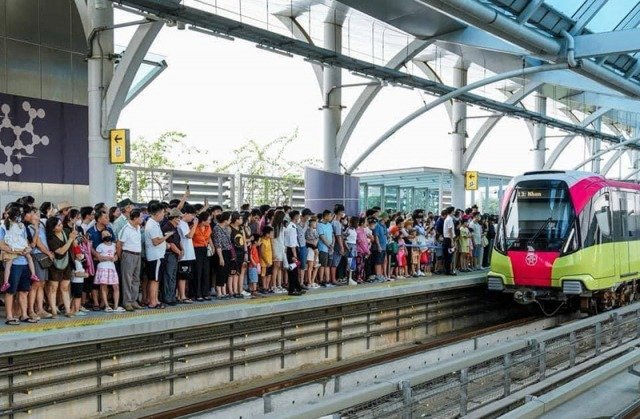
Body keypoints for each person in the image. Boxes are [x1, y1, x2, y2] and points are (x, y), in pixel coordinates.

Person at [1, 205, 36, 324]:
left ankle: (24, 315)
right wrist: (16, 251)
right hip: (13, 262)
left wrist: (28, 249)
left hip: (24, 262)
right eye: (19, 214)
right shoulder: (3, 226)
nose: (21, 216)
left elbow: (26, 242)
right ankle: (9, 316)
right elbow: (1, 245)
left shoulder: (22, 226)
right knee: (11, 291)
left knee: (24, 290)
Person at [1, 206, 39, 293]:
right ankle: (33, 274)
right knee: (29, 258)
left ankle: (6, 282)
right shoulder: (20, 225)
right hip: (20, 247)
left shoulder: (5, 225)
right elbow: (24, 239)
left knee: (8, 265)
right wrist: (23, 249)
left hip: (12, 247)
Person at [46, 216, 76, 318]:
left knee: (65, 287)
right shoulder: (51, 238)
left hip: (68, 263)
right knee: (53, 288)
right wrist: (70, 240)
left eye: (61, 223)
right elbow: (61, 251)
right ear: (53, 228)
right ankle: (53, 311)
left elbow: (74, 245)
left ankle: (68, 310)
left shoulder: (66, 231)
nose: (61, 226)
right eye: (58, 225)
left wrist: (74, 238)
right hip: (55, 264)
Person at [144, 203, 172, 309]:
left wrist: (165, 243)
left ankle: (155, 300)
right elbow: (156, 242)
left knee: (156, 279)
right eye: (163, 213)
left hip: (157, 255)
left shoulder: (154, 223)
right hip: (155, 256)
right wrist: (167, 237)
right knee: (154, 280)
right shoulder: (152, 225)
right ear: (157, 213)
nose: (164, 215)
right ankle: (152, 302)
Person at [117, 208, 143, 311]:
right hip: (128, 254)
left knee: (136, 279)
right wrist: (121, 257)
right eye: (140, 217)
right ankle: (127, 302)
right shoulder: (126, 228)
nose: (142, 219)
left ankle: (133, 300)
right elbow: (119, 244)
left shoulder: (138, 227)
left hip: (137, 255)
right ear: (135, 218)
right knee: (127, 279)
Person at [94, 230, 123, 312]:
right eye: (103, 235)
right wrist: (105, 258)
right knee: (104, 286)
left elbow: (117, 254)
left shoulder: (114, 245)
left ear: (110, 234)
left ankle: (116, 306)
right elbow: (96, 257)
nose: (105, 235)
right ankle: (106, 306)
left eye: (107, 234)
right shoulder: (100, 246)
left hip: (112, 267)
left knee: (116, 286)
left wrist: (115, 257)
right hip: (103, 267)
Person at [161, 208, 183, 306]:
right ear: (174, 218)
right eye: (179, 218)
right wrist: (179, 252)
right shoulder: (167, 227)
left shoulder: (175, 228)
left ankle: (172, 296)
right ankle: (167, 298)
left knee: (173, 276)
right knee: (169, 276)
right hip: (169, 254)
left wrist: (182, 251)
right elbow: (171, 243)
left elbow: (178, 241)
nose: (180, 220)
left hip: (175, 254)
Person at [177, 205, 197, 304]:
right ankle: (182, 296)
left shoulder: (184, 224)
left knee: (185, 276)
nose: (193, 217)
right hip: (184, 255)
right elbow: (189, 236)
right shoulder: (181, 223)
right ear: (186, 214)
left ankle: (180, 295)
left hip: (188, 254)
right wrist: (195, 225)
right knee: (183, 276)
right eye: (192, 215)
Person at [191, 211, 212, 301]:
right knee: (198, 271)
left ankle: (205, 293)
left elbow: (209, 237)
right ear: (203, 220)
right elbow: (191, 237)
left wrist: (212, 246)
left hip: (205, 249)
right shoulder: (195, 227)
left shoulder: (208, 227)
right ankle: (197, 293)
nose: (210, 221)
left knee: (206, 271)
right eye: (209, 220)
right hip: (196, 249)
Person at [213, 211, 233, 299]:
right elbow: (218, 244)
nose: (230, 221)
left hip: (227, 251)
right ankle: (219, 292)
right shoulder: (217, 228)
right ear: (225, 220)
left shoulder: (226, 228)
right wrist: (221, 258)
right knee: (220, 271)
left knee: (225, 272)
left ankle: (224, 291)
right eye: (230, 219)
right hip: (221, 252)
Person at [317, 210, 335, 287]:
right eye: (330, 216)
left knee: (328, 265)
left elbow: (333, 235)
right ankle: (321, 280)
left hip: (330, 248)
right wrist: (329, 245)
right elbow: (322, 237)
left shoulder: (329, 225)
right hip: (323, 248)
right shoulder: (319, 225)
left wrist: (332, 245)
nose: (331, 217)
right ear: (326, 216)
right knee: (322, 265)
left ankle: (327, 280)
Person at [271, 210, 287, 293]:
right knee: (276, 267)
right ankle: (274, 286)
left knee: (280, 267)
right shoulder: (273, 227)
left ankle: (279, 285)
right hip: (276, 248)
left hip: (281, 248)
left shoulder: (281, 226)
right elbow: (272, 239)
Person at [71, 246, 88, 316]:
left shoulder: (78, 262)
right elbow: (77, 274)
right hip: (77, 282)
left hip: (78, 282)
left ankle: (72, 309)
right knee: (78, 297)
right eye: (79, 253)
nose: (81, 255)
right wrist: (85, 275)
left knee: (75, 297)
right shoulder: (76, 262)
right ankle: (77, 310)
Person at [305, 216, 319, 288]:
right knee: (310, 266)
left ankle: (312, 281)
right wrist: (314, 245)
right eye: (314, 223)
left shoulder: (315, 231)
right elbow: (309, 240)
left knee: (316, 266)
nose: (316, 224)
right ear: (311, 223)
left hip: (315, 249)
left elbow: (316, 240)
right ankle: (309, 282)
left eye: (316, 223)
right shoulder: (308, 230)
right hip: (310, 249)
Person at [260, 226, 274, 294]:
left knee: (269, 274)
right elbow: (262, 253)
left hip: (270, 261)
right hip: (265, 262)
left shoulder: (269, 240)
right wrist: (266, 262)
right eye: (271, 233)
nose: (272, 234)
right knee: (264, 275)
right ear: (267, 234)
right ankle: (264, 287)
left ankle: (267, 287)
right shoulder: (263, 241)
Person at [442, 206, 456, 276]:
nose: (454, 212)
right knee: (449, 255)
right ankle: (448, 270)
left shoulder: (447, 219)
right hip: (449, 239)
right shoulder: (449, 219)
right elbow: (450, 230)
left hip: (446, 239)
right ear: (451, 211)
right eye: (453, 211)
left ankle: (447, 270)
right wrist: (452, 240)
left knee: (447, 255)